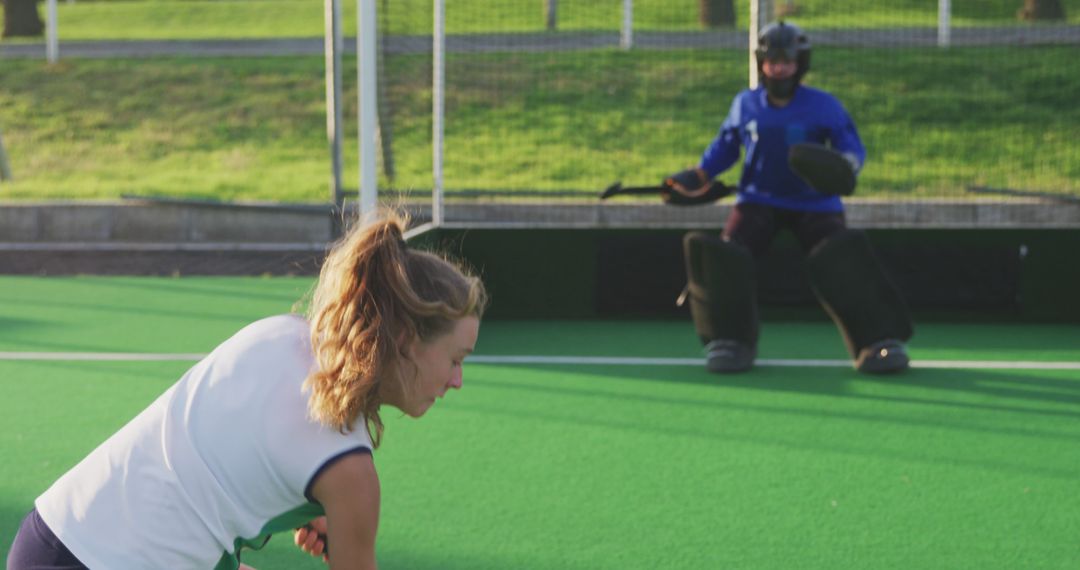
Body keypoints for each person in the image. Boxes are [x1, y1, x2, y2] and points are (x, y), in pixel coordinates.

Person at [6, 209, 487, 570]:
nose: (457, 380)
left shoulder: (278, 334)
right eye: (455, 360)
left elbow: (222, 463)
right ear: (405, 341)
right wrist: (330, 504)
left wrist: (301, 502)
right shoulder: (351, 475)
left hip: (45, 538)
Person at [667, 21, 913, 374]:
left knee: (842, 255)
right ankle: (729, 342)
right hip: (757, 202)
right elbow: (723, 150)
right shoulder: (745, 104)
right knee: (726, 257)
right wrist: (696, 177)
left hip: (815, 204)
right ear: (761, 63)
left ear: (800, 64)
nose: (778, 67)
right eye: (772, 61)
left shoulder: (824, 106)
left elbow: (851, 150)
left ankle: (878, 343)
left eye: (786, 61)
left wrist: (845, 167)